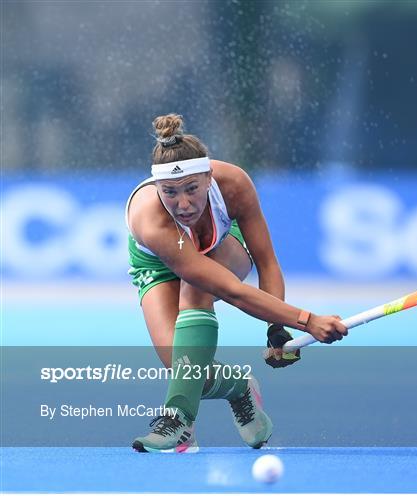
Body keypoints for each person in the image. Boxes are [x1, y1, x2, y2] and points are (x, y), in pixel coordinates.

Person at [126, 113, 347, 453]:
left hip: (226, 244)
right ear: (157, 188)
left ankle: (178, 421)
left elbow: (267, 262)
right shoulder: (152, 221)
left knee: (196, 288)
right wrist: (308, 320)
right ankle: (238, 387)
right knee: (183, 364)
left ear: (209, 178)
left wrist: (278, 330)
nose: (183, 204)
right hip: (155, 263)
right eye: (170, 192)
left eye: (191, 189)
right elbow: (232, 291)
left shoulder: (234, 184)